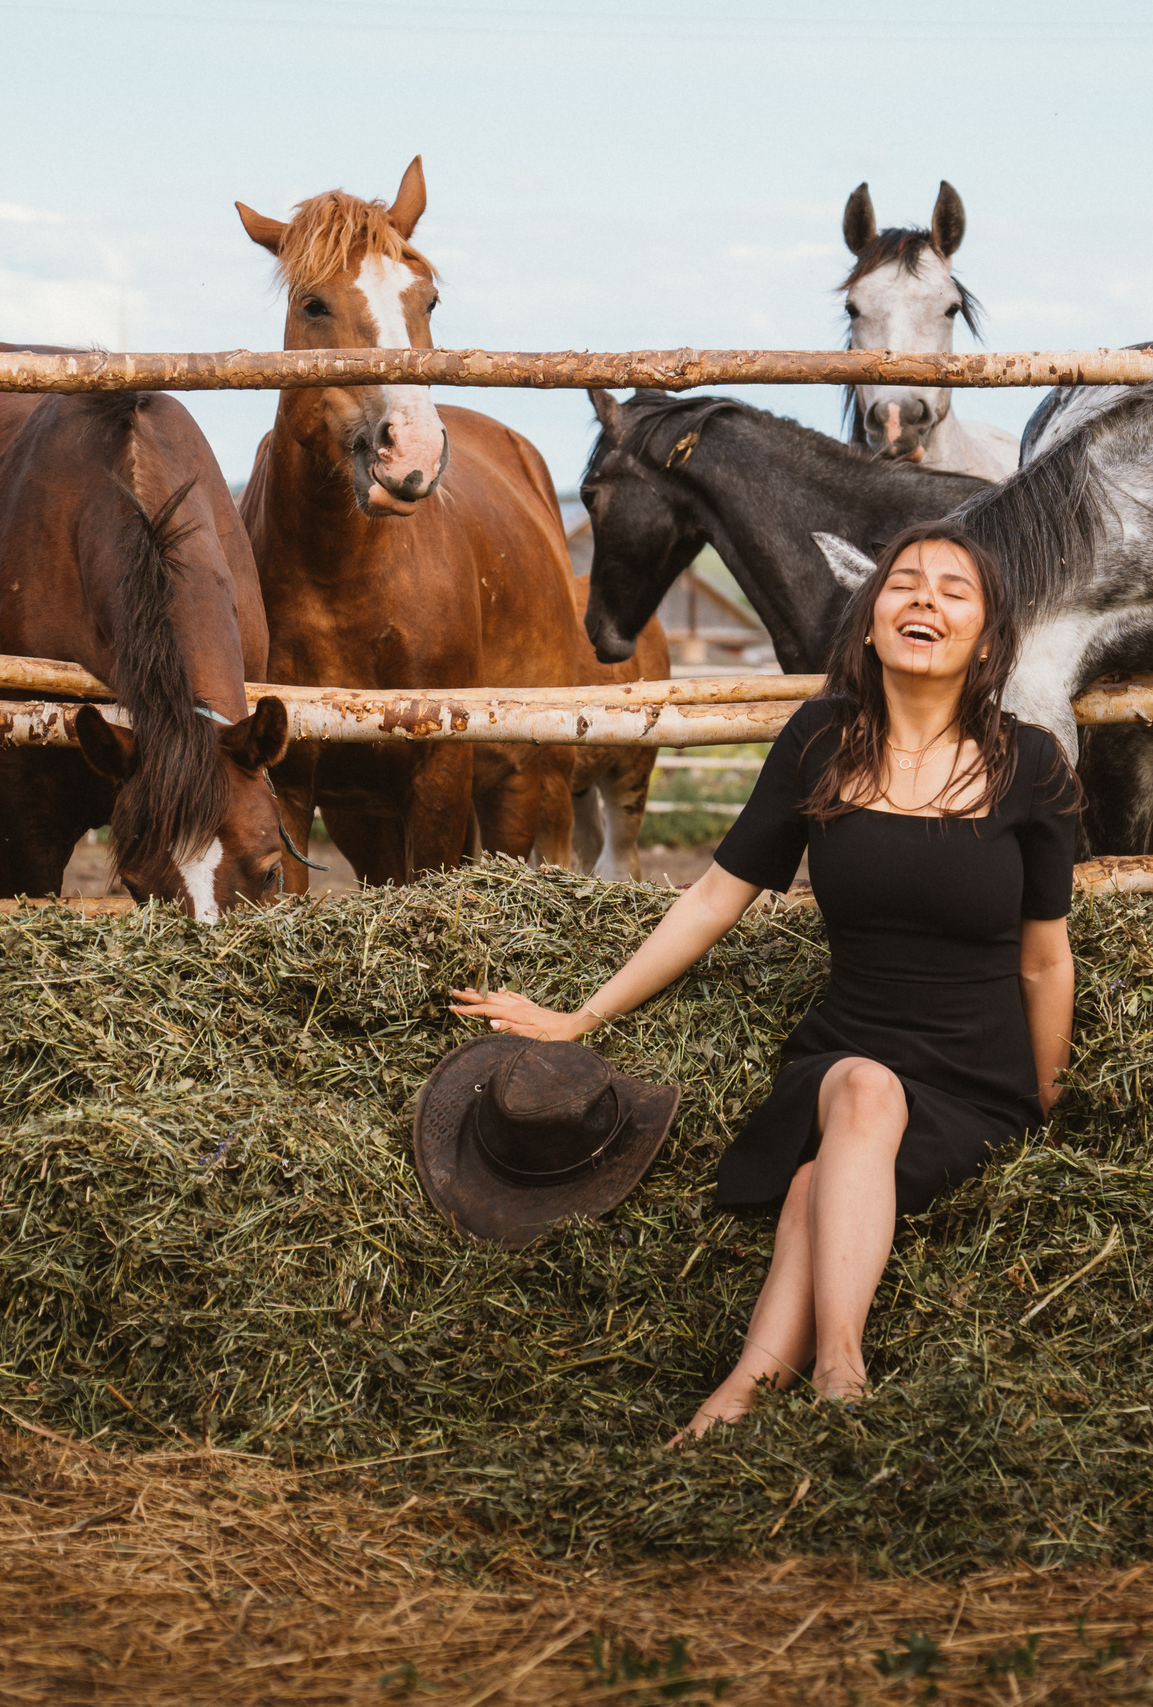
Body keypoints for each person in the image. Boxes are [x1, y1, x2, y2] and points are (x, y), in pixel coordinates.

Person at [449, 519, 1077, 1440]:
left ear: (985, 640)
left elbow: (1045, 955)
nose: (924, 601)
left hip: (974, 1073)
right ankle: (840, 1371)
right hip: (850, 1047)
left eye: (954, 590)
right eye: (904, 583)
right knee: (864, 1090)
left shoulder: (1033, 765)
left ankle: (743, 1385)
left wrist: (1050, 1096)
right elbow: (712, 897)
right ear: (869, 624)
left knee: (810, 1188)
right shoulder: (823, 736)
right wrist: (577, 1017)